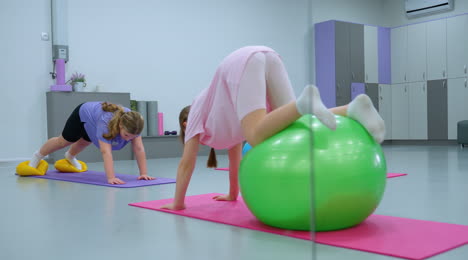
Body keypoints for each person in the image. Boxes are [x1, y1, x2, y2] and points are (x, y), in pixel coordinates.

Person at [161, 46, 385, 210]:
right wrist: (232, 194)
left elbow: (186, 164)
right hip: (266, 55)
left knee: (255, 135)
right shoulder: (221, 122)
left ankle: (302, 103)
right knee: (295, 125)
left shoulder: (195, 113)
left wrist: (178, 204)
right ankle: (351, 108)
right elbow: (234, 158)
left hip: (239, 64)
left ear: (184, 123)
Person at [28, 101, 155, 184]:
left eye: (132, 137)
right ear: (120, 125)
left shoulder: (135, 126)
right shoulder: (106, 123)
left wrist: (143, 174)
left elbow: (139, 149)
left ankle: (70, 156)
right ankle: (37, 156)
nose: (128, 139)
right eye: (126, 135)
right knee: (64, 141)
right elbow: (106, 151)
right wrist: (111, 177)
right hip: (82, 113)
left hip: (95, 118)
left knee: (86, 140)